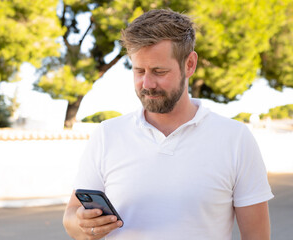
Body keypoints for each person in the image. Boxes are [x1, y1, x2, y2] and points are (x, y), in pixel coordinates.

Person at [63, 8, 274, 240]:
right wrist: (83, 225)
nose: (147, 83)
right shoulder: (106, 135)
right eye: (139, 71)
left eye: (159, 71)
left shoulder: (236, 139)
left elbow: (257, 236)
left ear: (190, 64)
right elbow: (71, 217)